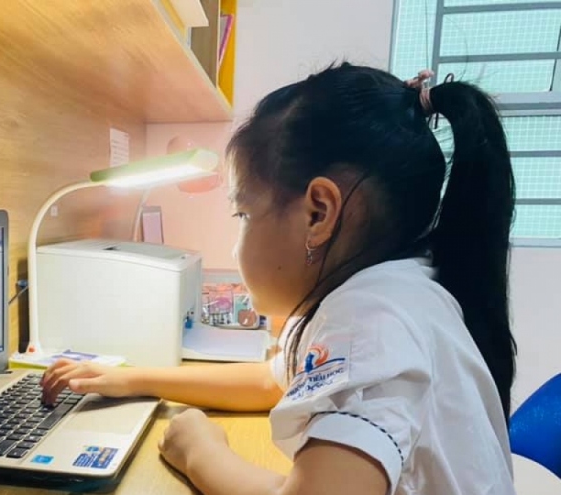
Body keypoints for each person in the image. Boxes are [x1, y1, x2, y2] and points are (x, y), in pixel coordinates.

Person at [40, 63, 516, 494]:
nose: (236, 246)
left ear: (318, 213)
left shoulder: (371, 319)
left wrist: (199, 451)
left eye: (243, 214)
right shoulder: (395, 290)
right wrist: (132, 379)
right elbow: (275, 381)